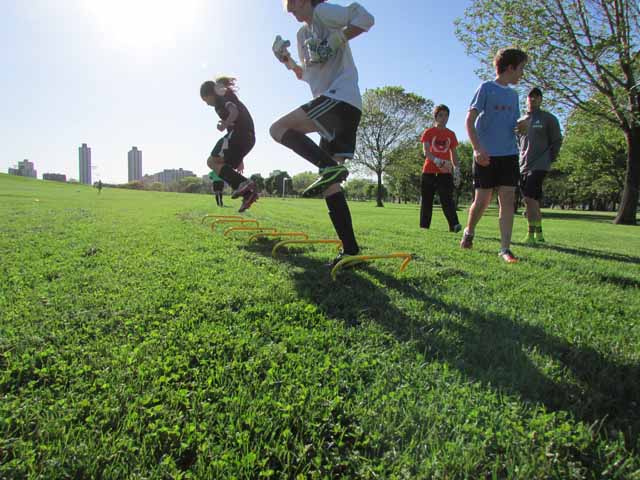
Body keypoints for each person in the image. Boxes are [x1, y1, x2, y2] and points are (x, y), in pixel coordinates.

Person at [270, 0, 374, 266]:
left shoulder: (323, 12)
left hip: (341, 98)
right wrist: (287, 61)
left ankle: (329, 166)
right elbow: (308, 74)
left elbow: (365, 18)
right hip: (335, 103)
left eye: (294, 7)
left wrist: (338, 39)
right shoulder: (303, 34)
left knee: (278, 128)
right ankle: (351, 251)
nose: (292, 14)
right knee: (330, 185)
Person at [460, 48, 528, 264]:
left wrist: (522, 127)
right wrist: (477, 148)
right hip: (486, 154)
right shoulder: (486, 89)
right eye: (521, 69)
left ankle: (505, 248)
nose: (521, 74)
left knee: (507, 199)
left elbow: (514, 127)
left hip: (509, 154)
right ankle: (469, 232)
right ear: (510, 67)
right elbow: (469, 120)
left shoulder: (514, 95)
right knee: (482, 200)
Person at [200, 77, 257, 213]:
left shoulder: (222, 98)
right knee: (223, 167)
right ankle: (248, 194)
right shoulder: (224, 97)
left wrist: (225, 123)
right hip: (246, 139)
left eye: (205, 100)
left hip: (240, 134)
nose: (207, 104)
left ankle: (244, 184)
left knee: (211, 161)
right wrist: (241, 157)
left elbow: (234, 112)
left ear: (209, 95)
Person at [516, 87, 563, 243]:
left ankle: (530, 234)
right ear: (526, 99)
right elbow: (518, 143)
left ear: (541, 99)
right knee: (531, 200)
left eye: (536, 97)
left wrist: (550, 158)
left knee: (529, 198)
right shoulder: (521, 120)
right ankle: (540, 234)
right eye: (530, 97)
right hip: (523, 165)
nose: (533, 99)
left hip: (540, 164)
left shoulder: (548, 119)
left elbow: (556, 141)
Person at [419, 104, 462, 232]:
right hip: (429, 171)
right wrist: (439, 161)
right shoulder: (428, 132)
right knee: (427, 200)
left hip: (445, 173)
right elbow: (426, 152)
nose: (444, 118)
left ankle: (454, 225)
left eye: (446, 115)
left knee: (447, 200)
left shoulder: (451, 134)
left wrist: (457, 171)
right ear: (436, 117)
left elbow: (454, 154)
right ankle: (424, 227)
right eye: (441, 115)